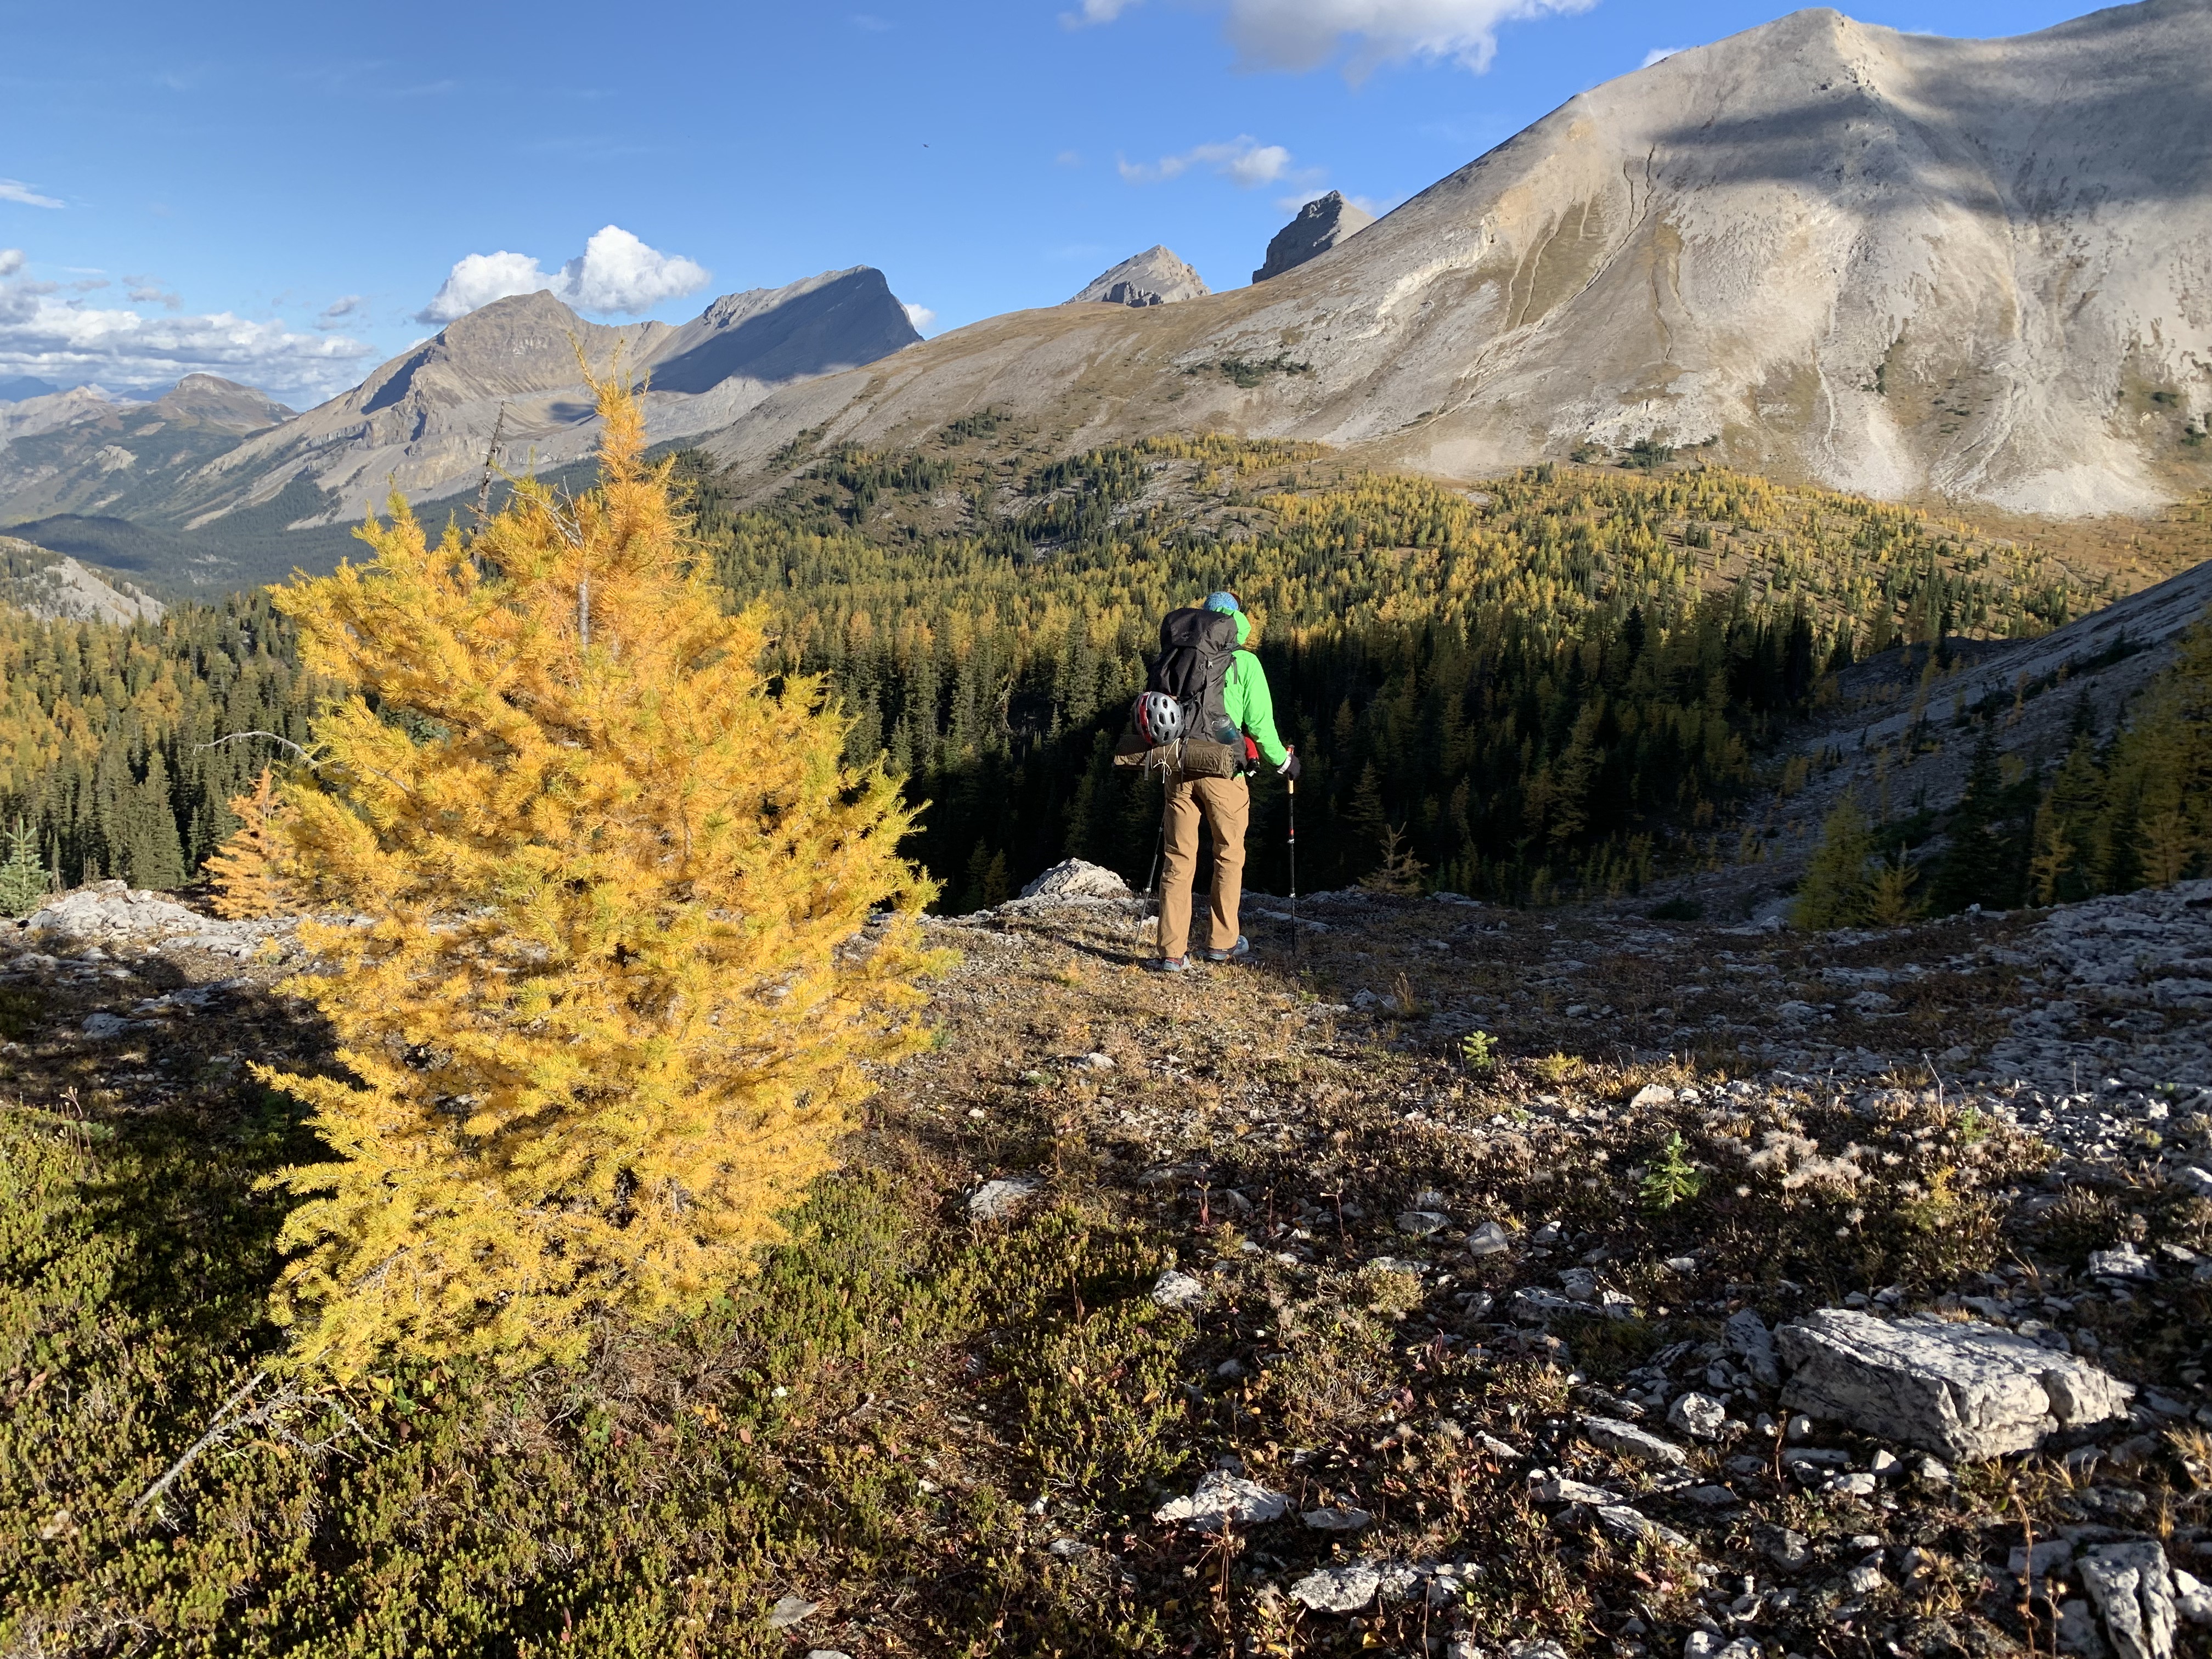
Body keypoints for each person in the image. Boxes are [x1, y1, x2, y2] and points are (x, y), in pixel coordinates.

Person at [1150, 590, 1300, 972]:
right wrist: (1285, 763)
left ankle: (1171, 952)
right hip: (1223, 771)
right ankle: (1221, 943)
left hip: (1180, 764)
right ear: (1235, 622)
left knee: (1178, 858)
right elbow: (1261, 727)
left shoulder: (1180, 653)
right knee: (1228, 854)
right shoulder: (1245, 662)